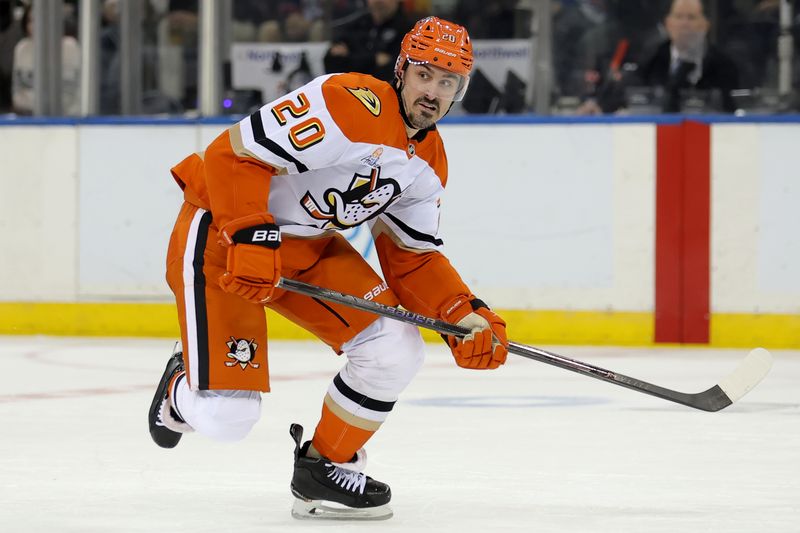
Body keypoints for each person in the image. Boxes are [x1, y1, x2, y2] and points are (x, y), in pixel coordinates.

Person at [149, 16, 509, 521]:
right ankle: (179, 388)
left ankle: (322, 467)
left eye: (448, 82)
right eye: (425, 74)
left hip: (307, 251)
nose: (433, 91)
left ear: (459, 92)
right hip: (223, 235)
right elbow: (230, 155)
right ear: (402, 71)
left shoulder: (428, 165)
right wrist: (251, 234)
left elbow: (412, 256)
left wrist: (462, 312)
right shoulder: (347, 103)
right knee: (227, 417)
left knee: (395, 348)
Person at [637, 0, 740, 112]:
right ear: (668, 24)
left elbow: (732, 109)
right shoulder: (651, 60)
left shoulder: (724, 65)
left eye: (691, 17)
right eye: (678, 16)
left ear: (705, 25)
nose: (684, 24)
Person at [11, 4, 81, 115]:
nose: (36, 25)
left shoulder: (71, 47)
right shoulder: (22, 48)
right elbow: (17, 95)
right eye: (31, 21)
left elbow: (72, 95)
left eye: (41, 20)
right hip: (28, 118)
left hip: (68, 120)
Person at [323, 0, 411, 82]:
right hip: (348, 89)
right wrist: (373, 60)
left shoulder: (409, 31)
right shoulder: (356, 25)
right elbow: (331, 62)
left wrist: (351, 58)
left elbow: (391, 72)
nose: (378, 1)